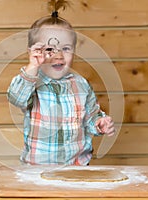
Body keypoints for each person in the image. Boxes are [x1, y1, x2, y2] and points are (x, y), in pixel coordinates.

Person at [7, 0, 115, 165]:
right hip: (38, 169)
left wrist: (99, 124)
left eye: (65, 49)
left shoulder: (81, 85)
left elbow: (91, 116)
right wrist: (32, 67)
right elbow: (16, 97)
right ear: (34, 53)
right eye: (49, 49)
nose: (58, 56)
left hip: (76, 167)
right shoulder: (31, 83)